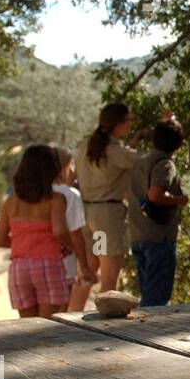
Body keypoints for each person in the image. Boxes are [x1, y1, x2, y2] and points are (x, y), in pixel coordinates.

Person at [0, 145, 72, 318]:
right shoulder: (55, 199)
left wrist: (24, 244)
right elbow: (59, 231)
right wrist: (71, 246)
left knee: (27, 329)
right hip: (48, 265)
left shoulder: (11, 201)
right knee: (45, 328)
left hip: (19, 269)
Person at [75, 103, 138, 296]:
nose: (132, 123)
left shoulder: (84, 145)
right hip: (107, 218)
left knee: (87, 274)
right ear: (118, 124)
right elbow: (147, 162)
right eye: (129, 120)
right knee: (109, 280)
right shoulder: (117, 152)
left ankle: (70, 314)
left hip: (86, 214)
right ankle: (106, 321)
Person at [127, 117, 189, 307]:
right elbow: (155, 195)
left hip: (138, 234)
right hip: (159, 237)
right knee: (157, 301)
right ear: (178, 145)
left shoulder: (139, 162)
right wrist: (179, 200)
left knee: (148, 292)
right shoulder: (166, 165)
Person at [50, 144, 97, 309]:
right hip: (67, 259)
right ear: (65, 167)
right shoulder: (71, 195)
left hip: (44, 257)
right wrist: (84, 266)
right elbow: (76, 234)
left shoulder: (41, 192)